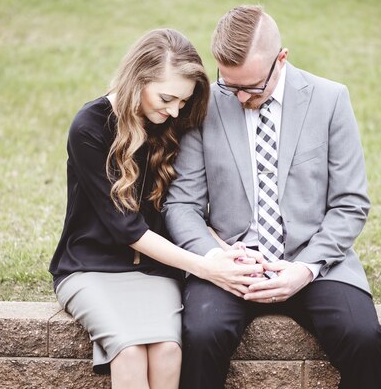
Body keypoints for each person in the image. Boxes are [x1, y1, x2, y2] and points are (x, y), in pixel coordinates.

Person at [163, 6, 381, 389]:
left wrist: (304, 269)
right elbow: (181, 205)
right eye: (228, 84)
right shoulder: (205, 103)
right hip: (229, 263)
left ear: (281, 59)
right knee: (199, 337)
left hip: (313, 261)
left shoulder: (330, 100)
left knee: (364, 340)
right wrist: (218, 259)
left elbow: (350, 203)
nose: (237, 98)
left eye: (250, 88)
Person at [49, 28, 264, 389]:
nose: (175, 109)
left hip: (156, 268)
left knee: (167, 350)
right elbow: (126, 229)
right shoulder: (89, 127)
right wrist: (206, 267)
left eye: (183, 101)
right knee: (130, 351)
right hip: (90, 268)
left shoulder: (171, 124)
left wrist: (224, 251)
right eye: (167, 97)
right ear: (139, 79)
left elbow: (176, 207)